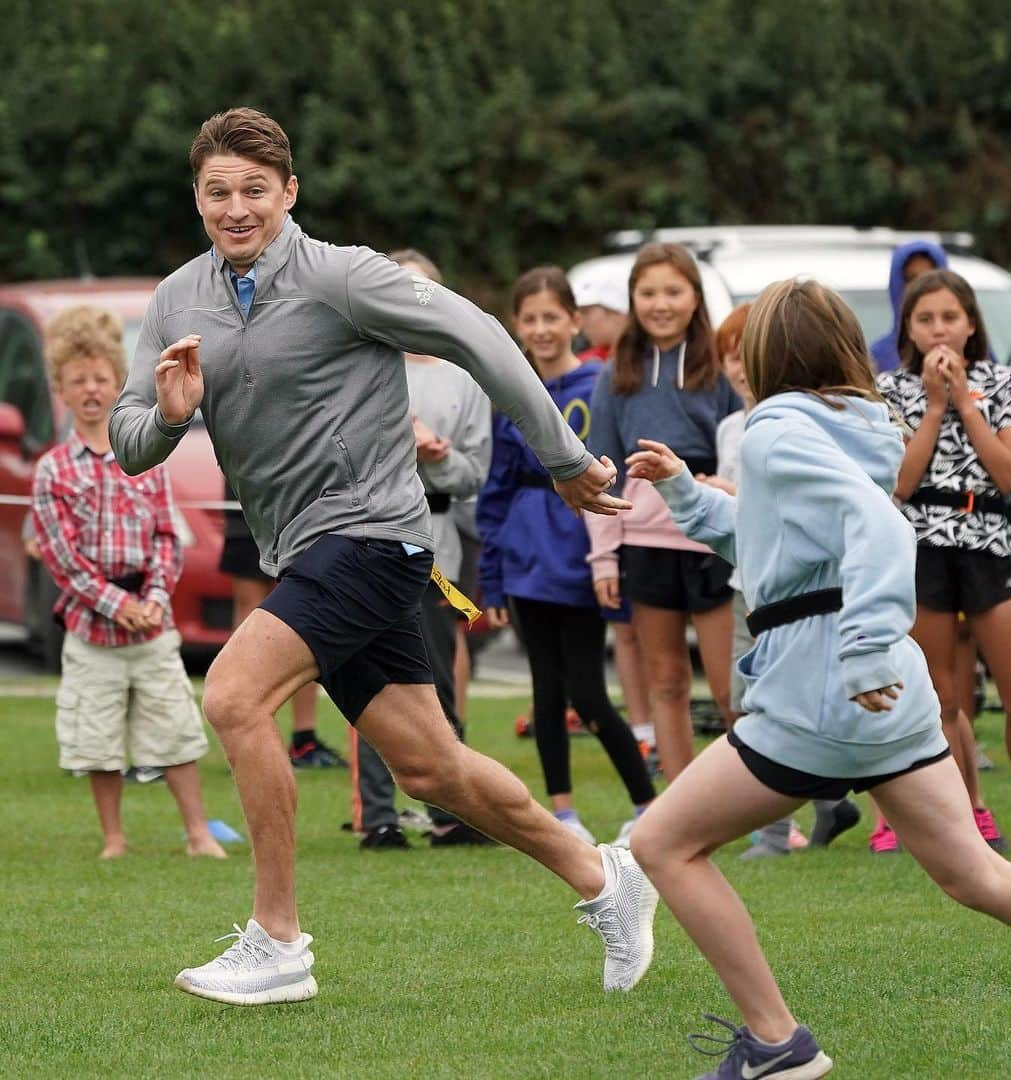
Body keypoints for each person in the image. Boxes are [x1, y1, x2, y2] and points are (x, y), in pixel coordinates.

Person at [108, 107, 656, 1005]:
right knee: (430, 768)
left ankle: (277, 940)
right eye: (218, 192)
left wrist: (562, 458)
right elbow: (131, 438)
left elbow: (480, 334)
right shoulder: (178, 298)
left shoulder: (343, 277)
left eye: (255, 189)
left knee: (235, 694)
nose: (236, 207)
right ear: (197, 198)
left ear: (289, 192)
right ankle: (605, 877)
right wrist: (170, 413)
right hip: (307, 553)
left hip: (373, 536)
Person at [625, 279, 1011, 1080]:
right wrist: (684, 493)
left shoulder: (772, 430)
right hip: (881, 694)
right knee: (979, 875)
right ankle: (775, 1046)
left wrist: (865, 649)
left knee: (663, 843)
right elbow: (782, 544)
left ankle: (776, 1044)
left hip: (823, 688)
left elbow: (874, 529)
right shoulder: (857, 425)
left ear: (766, 356)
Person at [877, 269, 1011, 855]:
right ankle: (964, 822)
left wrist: (965, 402)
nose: (939, 329)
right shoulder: (891, 391)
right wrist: (934, 407)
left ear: (970, 324)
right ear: (908, 330)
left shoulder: (1004, 382)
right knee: (943, 702)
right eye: (925, 319)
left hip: (987, 541)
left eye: (949, 317)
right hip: (921, 546)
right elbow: (901, 482)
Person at [31, 304, 225, 861]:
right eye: (78, 381)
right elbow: (62, 560)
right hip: (93, 628)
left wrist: (156, 598)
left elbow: (169, 535)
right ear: (61, 391)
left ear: (118, 381)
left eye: (100, 379)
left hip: (152, 620)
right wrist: (118, 606)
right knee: (98, 739)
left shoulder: (146, 456)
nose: (91, 390)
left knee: (175, 729)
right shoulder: (53, 471)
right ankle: (114, 839)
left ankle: (198, 834)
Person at [477, 266, 656, 847]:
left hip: (579, 554)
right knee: (544, 692)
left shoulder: (600, 385)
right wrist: (493, 580)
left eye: (552, 316)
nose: (542, 328)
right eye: (530, 319)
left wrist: (614, 555)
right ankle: (563, 813)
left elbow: (621, 468)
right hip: (527, 561)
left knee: (587, 690)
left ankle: (645, 804)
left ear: (576, 322)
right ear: (516, 327)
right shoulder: (510, 391)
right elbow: (497, 488)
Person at [354, 247, 494, 849]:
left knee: (433, 676)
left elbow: (473, 474)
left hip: (437, 549)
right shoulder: (362, 365)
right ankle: (380, 815)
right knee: (368, 678)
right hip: (370, 538)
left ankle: (452, 810)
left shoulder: (463, 377)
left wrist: (437, 457)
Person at [710, 303, 860, 858]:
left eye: (749, 353)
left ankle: (772, 834)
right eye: (729, 355)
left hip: (794, 595)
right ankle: (829, 805)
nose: (739, 366)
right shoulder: (731, 426)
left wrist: (725, 497)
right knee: (745, 694)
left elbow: (791, 507)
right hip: (745, 584)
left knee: (776, 701)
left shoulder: (799, 427)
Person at [587, 242, 741, 782]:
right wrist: (604, 558)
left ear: (695, 298)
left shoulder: (720, 367)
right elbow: (597, 473)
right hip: (645, 543)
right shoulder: (615, 373)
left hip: (715, 542)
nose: (660, 304)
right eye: (647, 292)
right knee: (668, 681)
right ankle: (681, 809)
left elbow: (741, 455)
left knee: (730, 688)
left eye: (673, 291)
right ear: (632, 299)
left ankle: (753, 806)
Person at [572, 263, 654, 751]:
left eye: (591, 313)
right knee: (626, 631)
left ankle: (653, 730)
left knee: (651, 642)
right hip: (619, 519)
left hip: (652, 523)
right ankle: (643, 730)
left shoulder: (624, 370)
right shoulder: (602, 371)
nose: (584, 323)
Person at [219, 480, 343, 769]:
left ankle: (304, 738)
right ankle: (244, 734)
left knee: (303, 611)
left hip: (302, 509)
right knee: (250, 612)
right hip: (247, 503)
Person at [869, 240, 948, 373]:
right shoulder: (878, 357)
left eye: (929, 278)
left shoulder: (971, 352)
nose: (921, 286)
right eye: (911, 279)